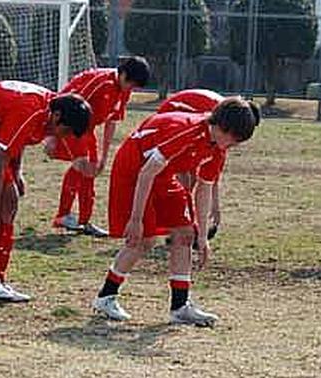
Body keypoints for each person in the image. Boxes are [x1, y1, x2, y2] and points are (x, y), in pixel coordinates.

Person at [91, 98, 257, 327]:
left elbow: (204, 187)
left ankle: (180, 307)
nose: (233, 145)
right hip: (134, 171)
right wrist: (137, 219)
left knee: (185, 234)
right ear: (221, 127)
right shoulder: (187, 131)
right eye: (234, 138)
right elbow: (146, 172)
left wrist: (202, 237)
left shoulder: (218, 148)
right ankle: (105, 297)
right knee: (144, 240)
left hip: (163, 175)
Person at [0, 81, 91, 302]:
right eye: (65, 131)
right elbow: (0, 158)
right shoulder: (31, 110)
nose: (64, 137)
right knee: (7, 199)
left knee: (11, 200)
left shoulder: (46, 112)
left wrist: (16, 172)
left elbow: (18, 140)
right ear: (56, 116)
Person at [49, 56, 150, 236]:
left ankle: (85, 221)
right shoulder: (100, 81)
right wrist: (53, 136)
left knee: (92, 169)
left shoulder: (124, 91)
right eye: (131, 84)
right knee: (81, 165)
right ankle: (62, 216)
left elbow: (112, 120)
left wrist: (104, 155)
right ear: (123, 74)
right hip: (72, 125)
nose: (131, 89)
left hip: (89, 129)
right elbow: (67, 103)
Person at [157, 88, 261, 243]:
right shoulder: (221, 123)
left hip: (191, 117)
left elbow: (211, 175)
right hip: (173, 116)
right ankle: (178, 226)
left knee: (191, 179)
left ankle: (185, 225)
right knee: (184, 179)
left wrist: (215, 205)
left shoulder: (225, 132)